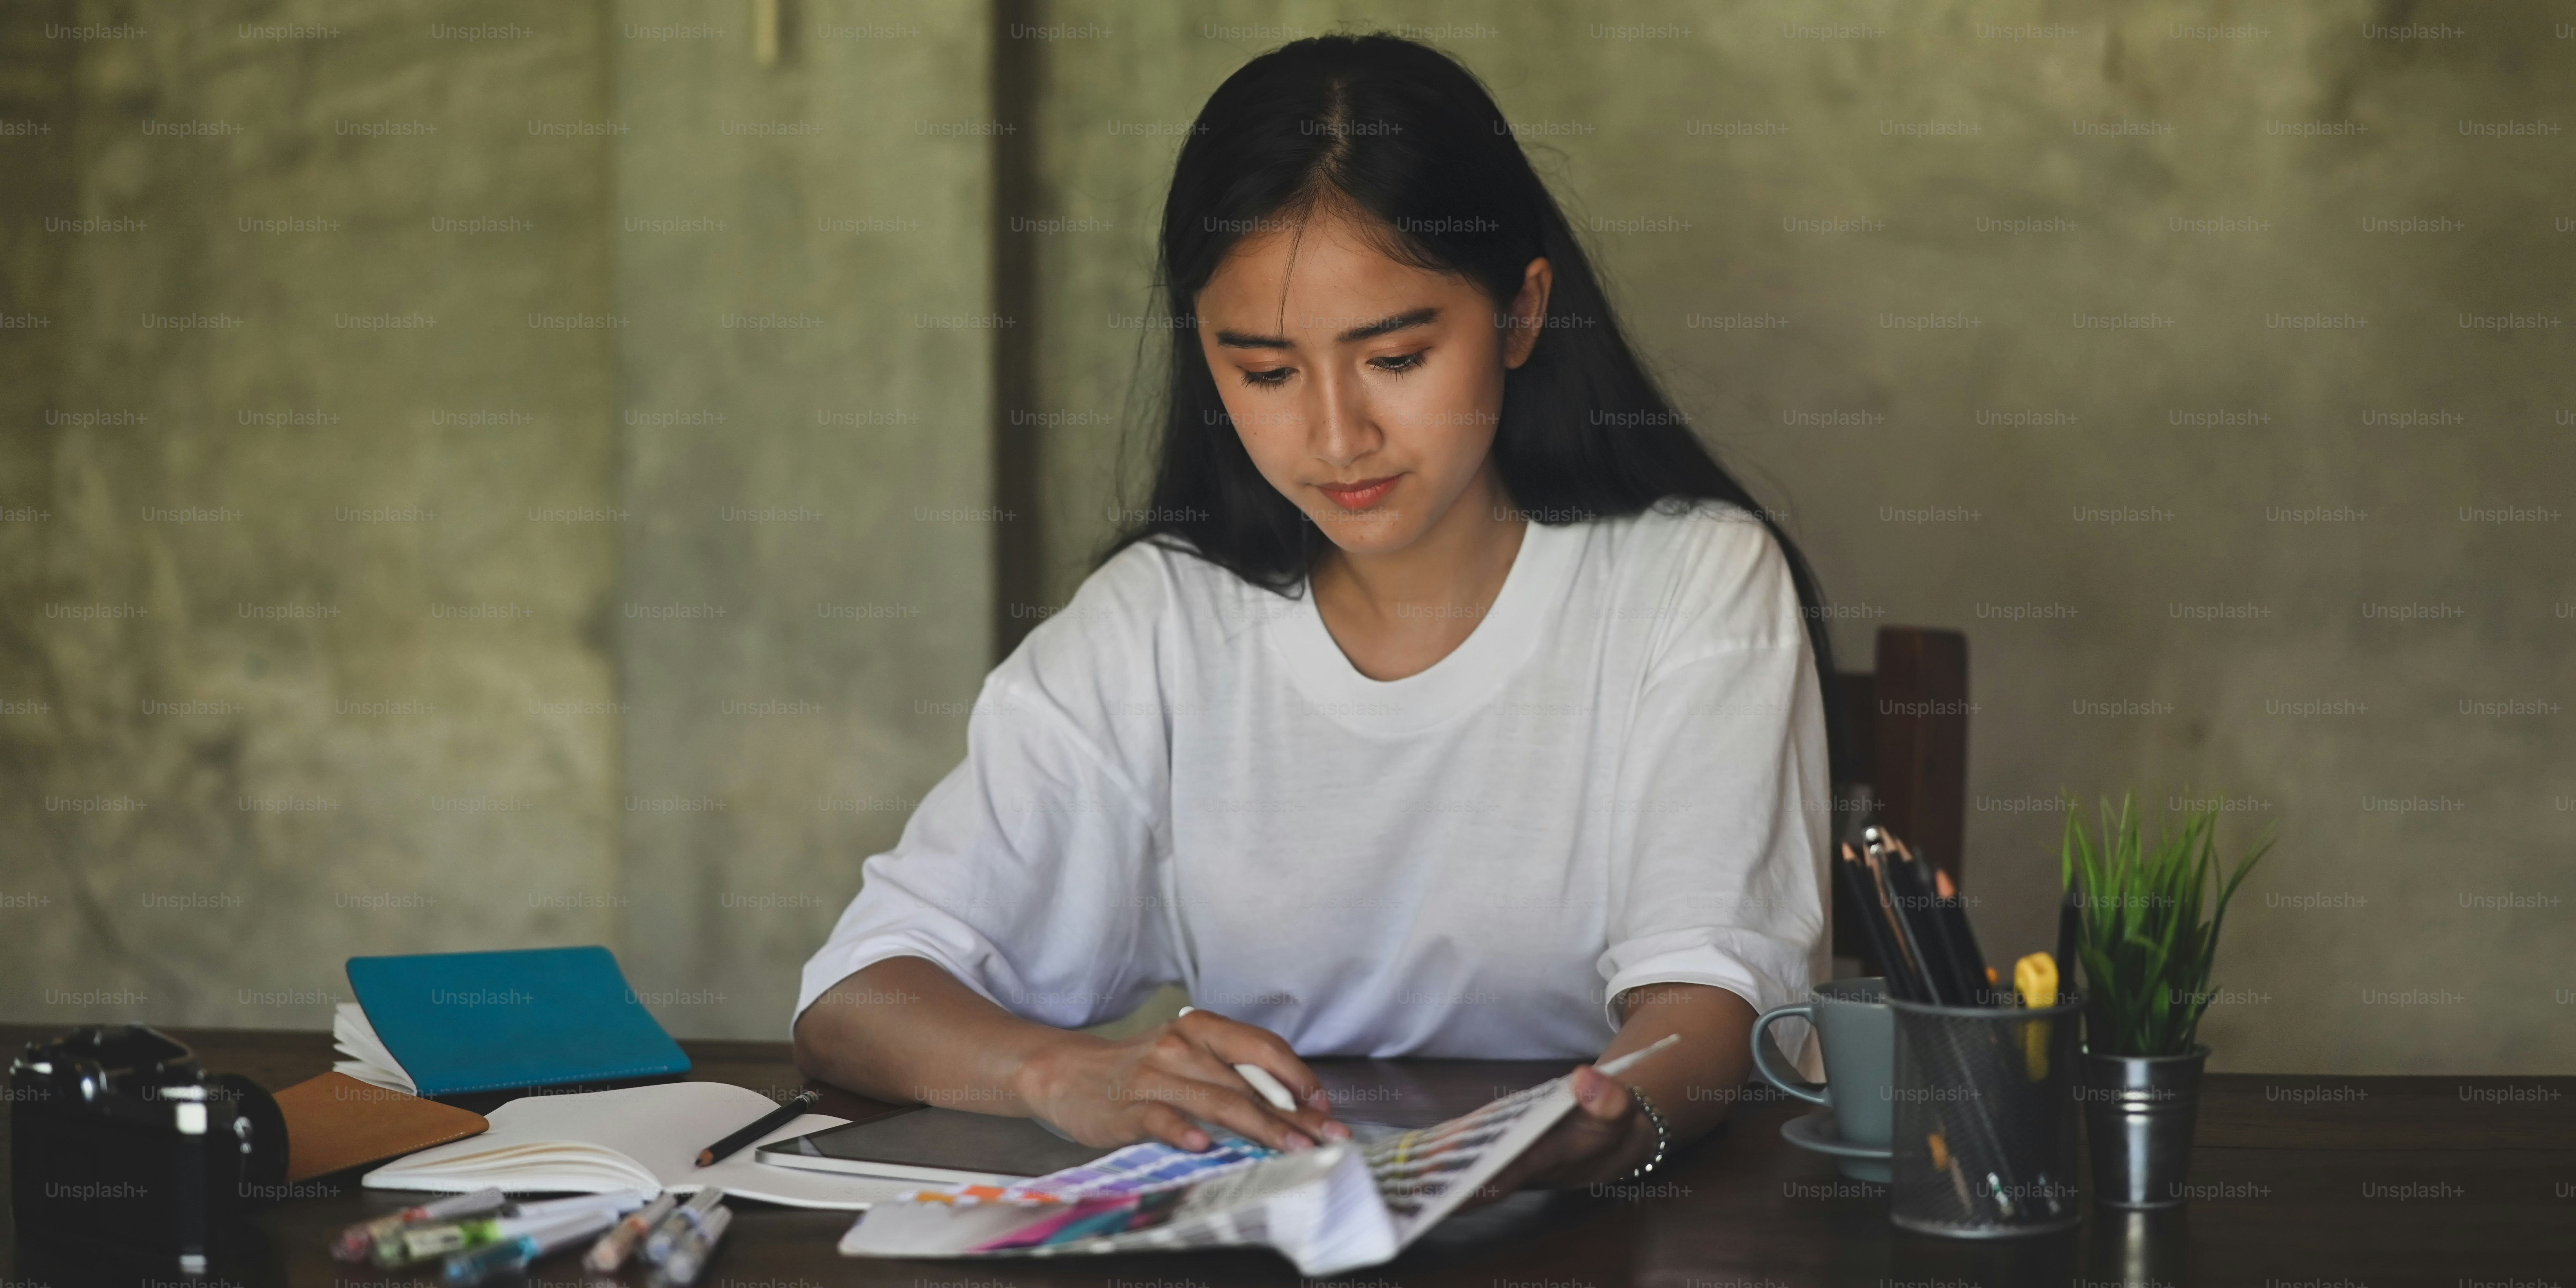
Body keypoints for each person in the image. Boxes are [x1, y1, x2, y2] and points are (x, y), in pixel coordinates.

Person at [793, 33, 1833, 1194]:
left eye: (1394, 355)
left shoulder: (1689, 580)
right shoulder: (1162, 620)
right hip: (1274, 1215)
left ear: (1522, 313)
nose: (1336, 437)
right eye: (1267, 373)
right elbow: (860, 993)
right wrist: (1061, 1073)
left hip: (1601, 1222)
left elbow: (1712, 994)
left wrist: (1607, 1119)